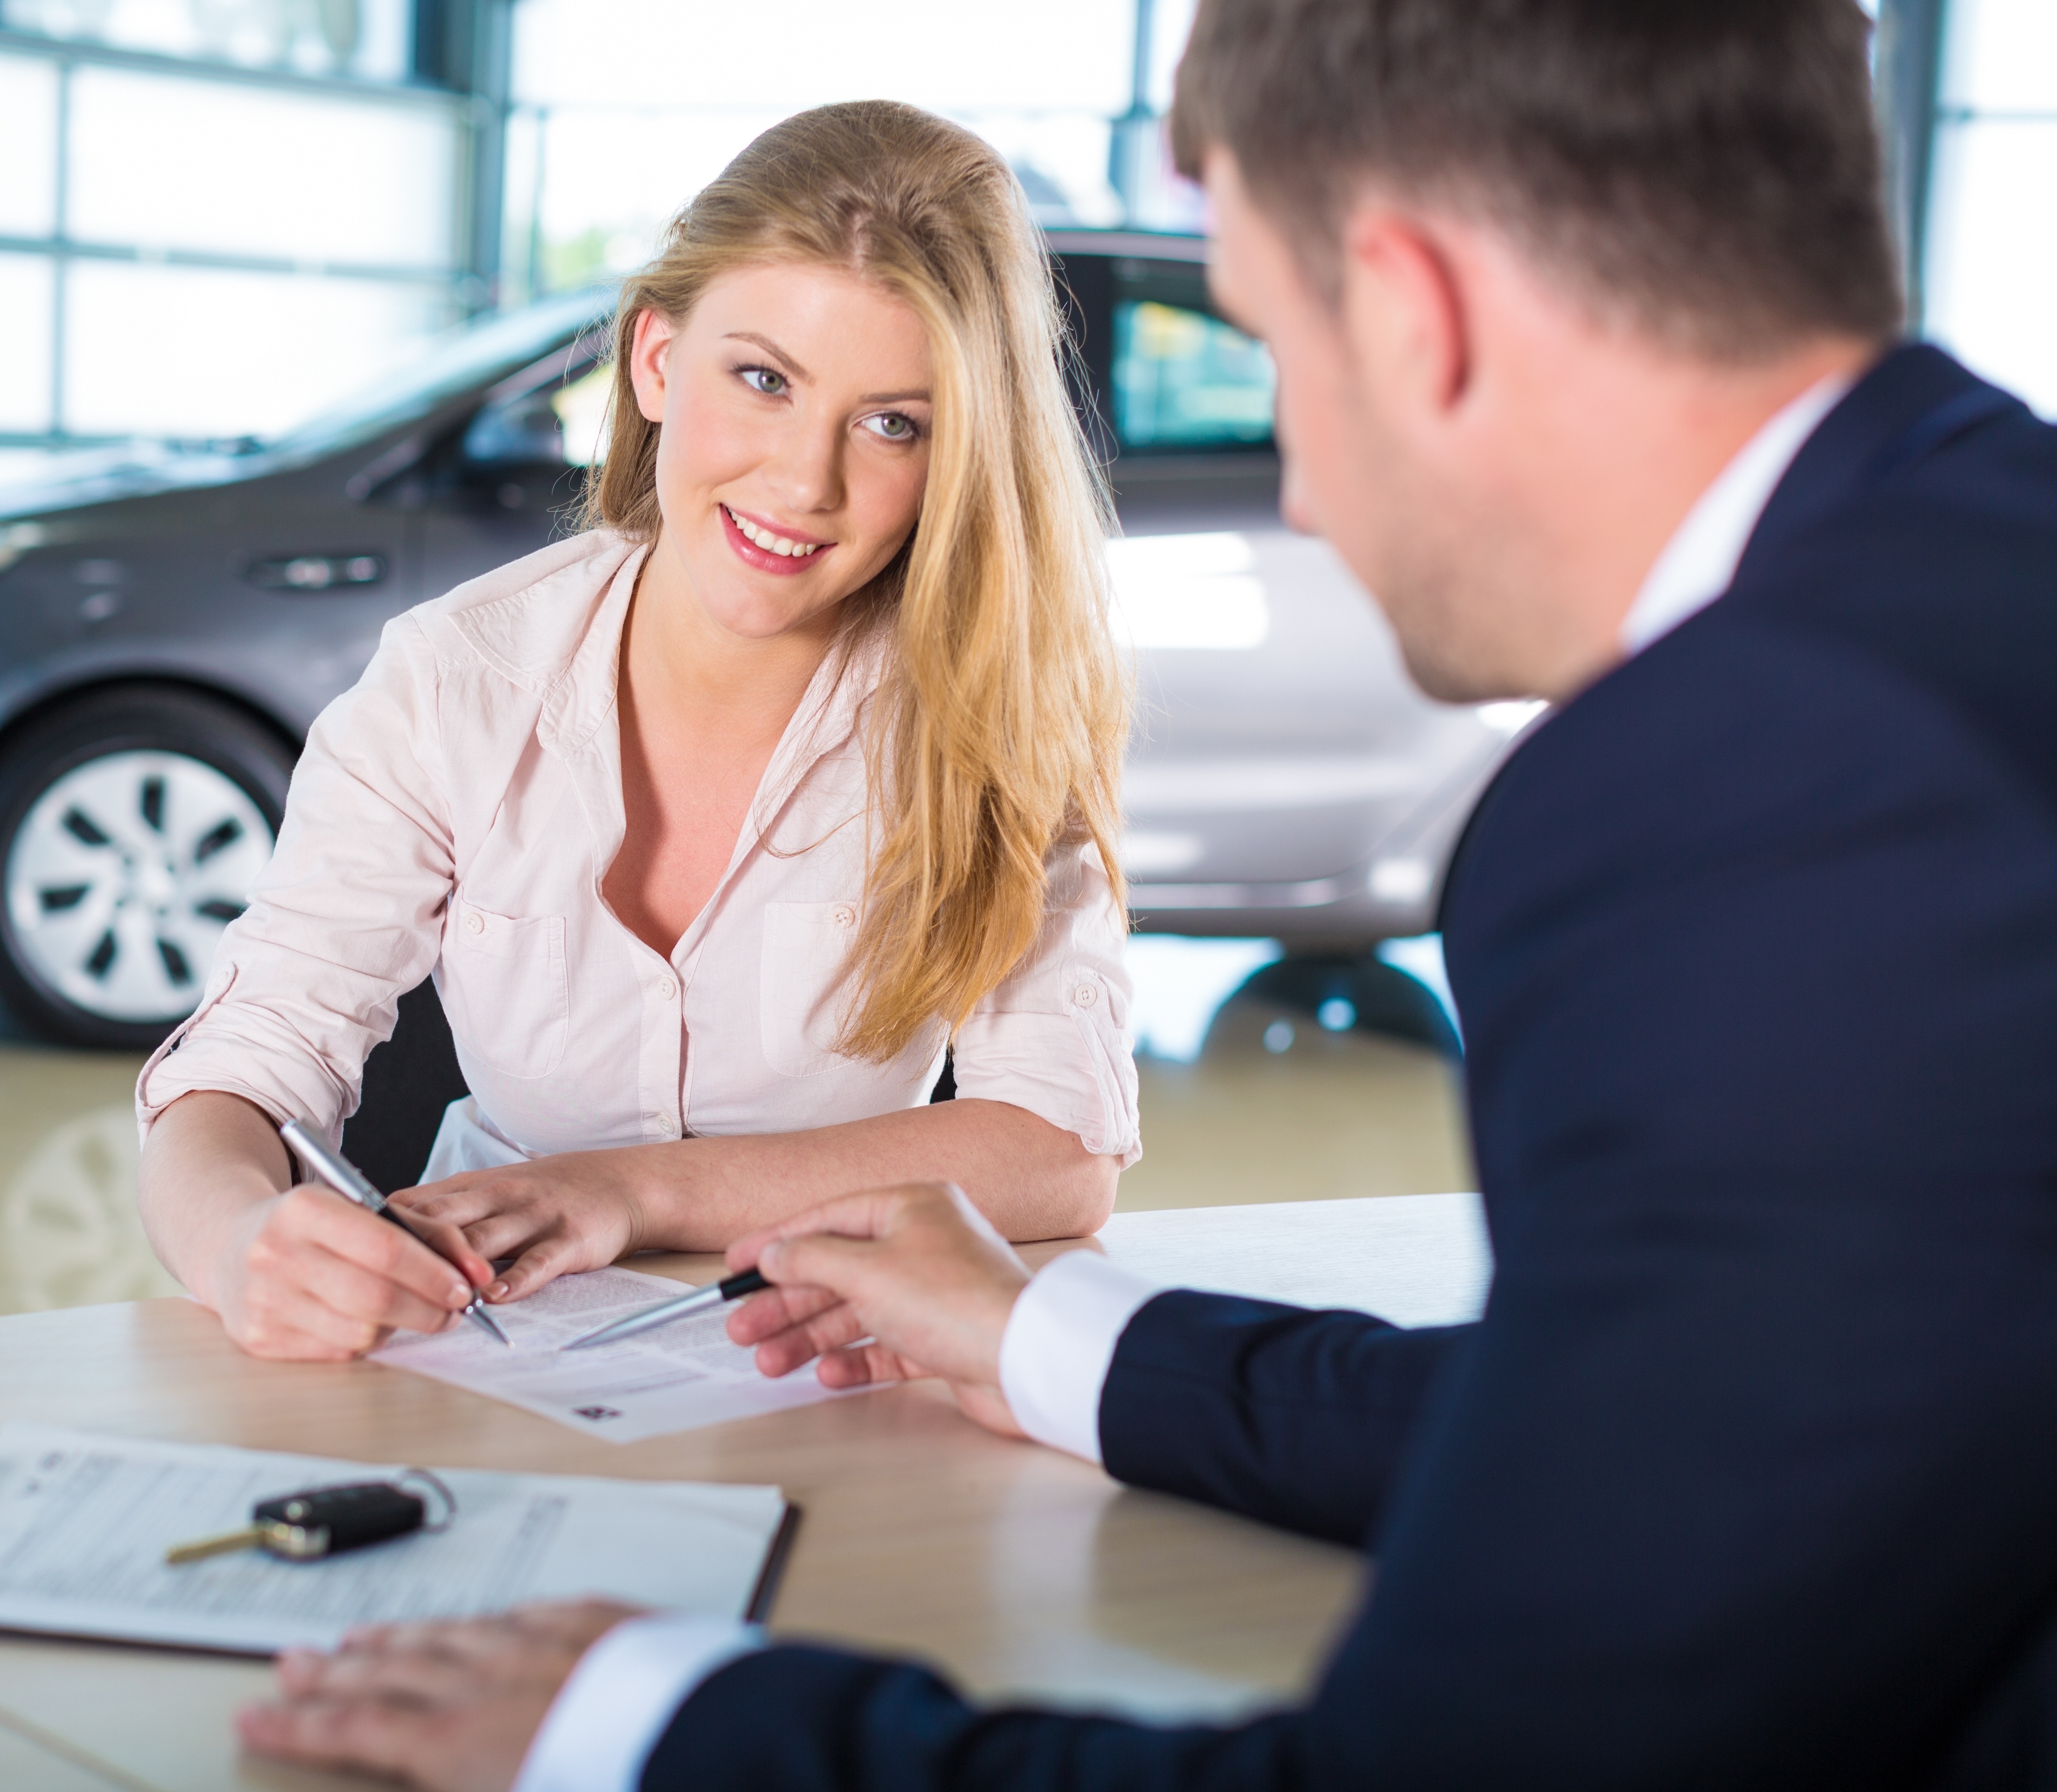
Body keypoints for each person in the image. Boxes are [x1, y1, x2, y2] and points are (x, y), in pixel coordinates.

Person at [234, 0, 2057, 1785]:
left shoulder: (1759, 797)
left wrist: (657, 1726)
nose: (1306, 500)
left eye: (1271, 347)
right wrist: (1057, 1339)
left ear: (1408, 309)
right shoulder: (1980, 594)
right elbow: (1665, 1429)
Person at [135, 102, 1141, 1362]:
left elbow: (1062, 1147)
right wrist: (238, 1243)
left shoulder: (990, 710)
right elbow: (243, 1066)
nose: (805, 482)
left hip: (827, 1370)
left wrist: (626, 1191)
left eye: (895, 423)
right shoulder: (454, 681)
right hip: (487, 1351)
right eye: (763, 381)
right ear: (656, 360)